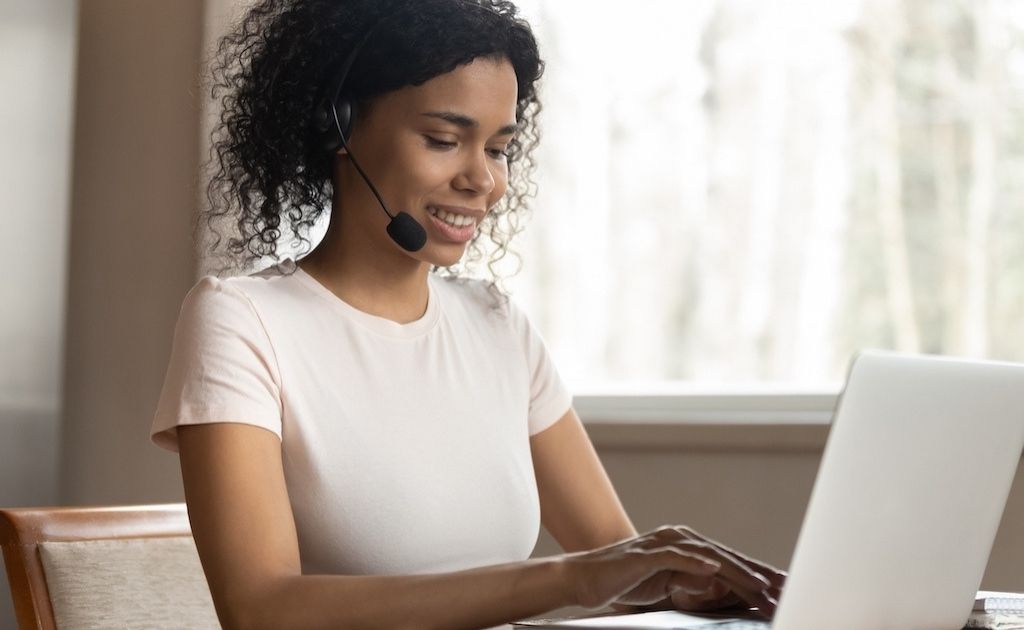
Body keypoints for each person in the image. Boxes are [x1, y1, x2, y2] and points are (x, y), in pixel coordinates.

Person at [151, 0, 786, 627]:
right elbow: (262, 610)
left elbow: (623, 571)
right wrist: (567, 579)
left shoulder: (496, 326)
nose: (482, 180)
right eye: (444, 140)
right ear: (337, 127)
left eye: (499, 148)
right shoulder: (242, 322)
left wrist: (691, 587)